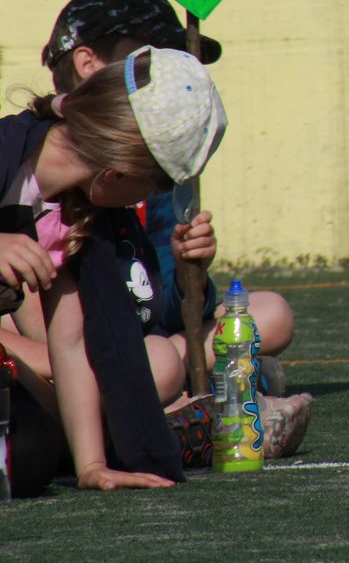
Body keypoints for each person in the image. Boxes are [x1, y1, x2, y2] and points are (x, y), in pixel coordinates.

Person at [35, 0, 297, 392]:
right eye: (152, 62)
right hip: (63, 350)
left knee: (271, 314)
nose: (173, 79)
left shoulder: (152, 173)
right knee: (158, 360)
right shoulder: (38, 161)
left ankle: (176, 374)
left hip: (145, 336)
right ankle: (202, 376)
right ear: (88, 63)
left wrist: (189, 272)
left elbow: (167, 312)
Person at [0, 45, 226, 491]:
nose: (150, 198)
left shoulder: (69, 214)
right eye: (155, 184)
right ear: (117, 173)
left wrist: (91, 465)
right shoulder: (7, 150)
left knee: (29, 455)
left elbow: (73, 340)